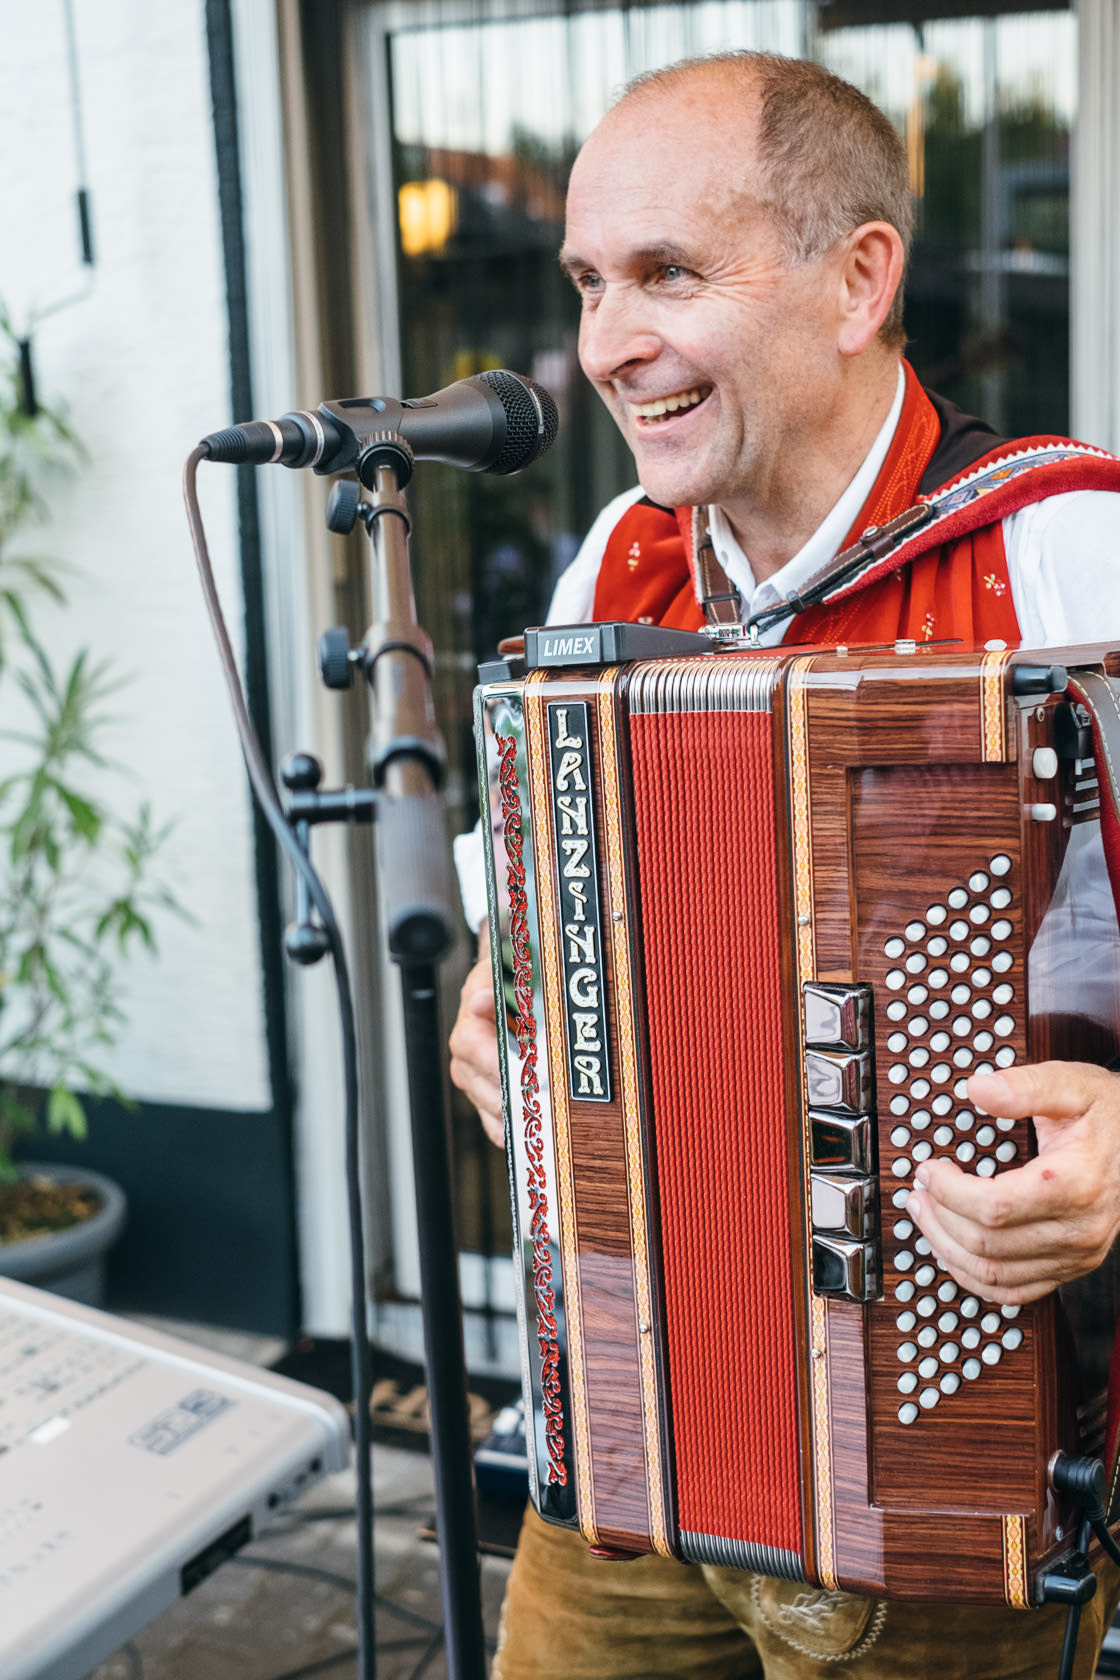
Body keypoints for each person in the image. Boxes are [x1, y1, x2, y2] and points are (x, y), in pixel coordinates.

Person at [450, 50, 1120, 1680]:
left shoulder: (1070, 560)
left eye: (668, 274)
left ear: (857, 281)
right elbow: (532, 935)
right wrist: (504, 1009)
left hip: (952, 1431)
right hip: (643, 1397)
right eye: (592, 283)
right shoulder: (617, 563)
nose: (607, 344)